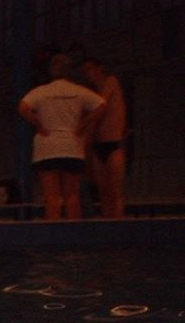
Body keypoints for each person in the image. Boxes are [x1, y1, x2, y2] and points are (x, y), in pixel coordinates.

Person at [17, 53, 104, 221]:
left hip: (46, 147)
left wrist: (38, 125)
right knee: (72, 195)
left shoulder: (41, 92)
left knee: (52, 198)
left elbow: (23, 107)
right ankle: (73, 235)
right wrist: (83, 125)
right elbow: (101, 104)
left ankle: (52, 237)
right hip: (72, 146)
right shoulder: (78, 91)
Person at [81, 57, 128, 219]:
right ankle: (107, 226)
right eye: (86, 71)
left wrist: (82, 124)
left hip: (113, 142)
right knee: (103, 193)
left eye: (90, 69)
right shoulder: (92, 93)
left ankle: (119, 227)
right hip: (98, 144)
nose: (88, 74)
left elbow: (100, 106)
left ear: (100, 68)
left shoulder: (111, 82)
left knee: (116, 192)